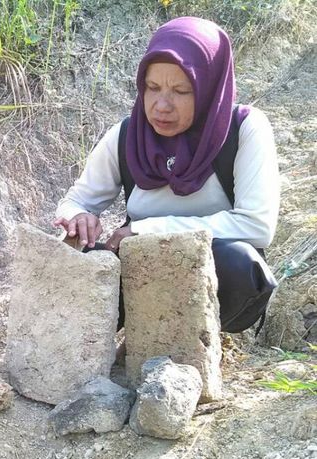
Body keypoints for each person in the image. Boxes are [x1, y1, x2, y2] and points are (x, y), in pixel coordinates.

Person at [53, 16, 279, 333]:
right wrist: (77, 217)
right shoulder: (127, 135)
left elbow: (257, 226)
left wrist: (149, 230)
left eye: (181, 90)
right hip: (140, 276)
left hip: (216, 282)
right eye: (153, 87)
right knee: (80, 262)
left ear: (209, 86)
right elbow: (75, 201)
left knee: (240, 260)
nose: (162, 105)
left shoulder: (243, 129)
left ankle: (195, 339)